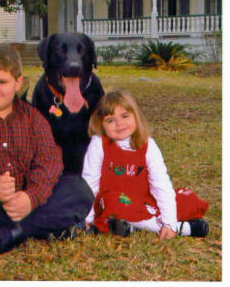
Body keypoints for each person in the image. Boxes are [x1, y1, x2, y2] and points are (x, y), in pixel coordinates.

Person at [0, 43, 94, 254]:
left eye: (2, 81)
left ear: (18, 83)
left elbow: (49, 160)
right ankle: (43, 228)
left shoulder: (33, 118)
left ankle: (14, 233)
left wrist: (30, 198)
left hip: (29, 200)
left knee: (78, 190)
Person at [82, 88, 209, 239]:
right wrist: (86, 219)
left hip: (145, 202)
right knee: (113, 204)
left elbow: (160, 182)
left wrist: (169, 220)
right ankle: (185, 228)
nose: (119, 123)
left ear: (136, 116)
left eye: (124, 116)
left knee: (187, 200)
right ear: (101, 123)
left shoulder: (148, 144)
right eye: (110, 120)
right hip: (116, 201)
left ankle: (135, 226)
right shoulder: (98, 144)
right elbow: (90, 183)